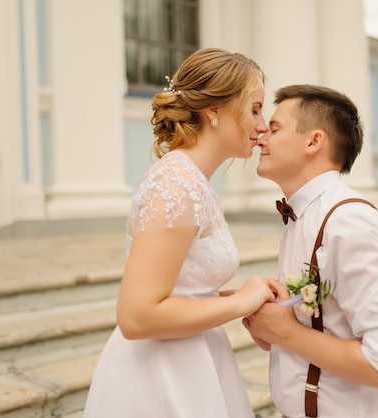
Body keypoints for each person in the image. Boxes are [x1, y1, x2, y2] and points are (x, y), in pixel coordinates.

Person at [83, 48, 275, 418]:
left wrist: (250, 298)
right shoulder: (177, 182)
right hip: (162, 375)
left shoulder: (192, 181)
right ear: (214, 111)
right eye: (254, 109)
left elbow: (182, 289)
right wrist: (237, 304)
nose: (262, 124)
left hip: (193, 359)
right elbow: (137, 316)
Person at [243, 84, 378, 417]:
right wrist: (269, 323)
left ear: (314, 141)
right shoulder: (304, 216)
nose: (260, 135)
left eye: (275, 128)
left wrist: (287, 332)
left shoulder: (351, 223)